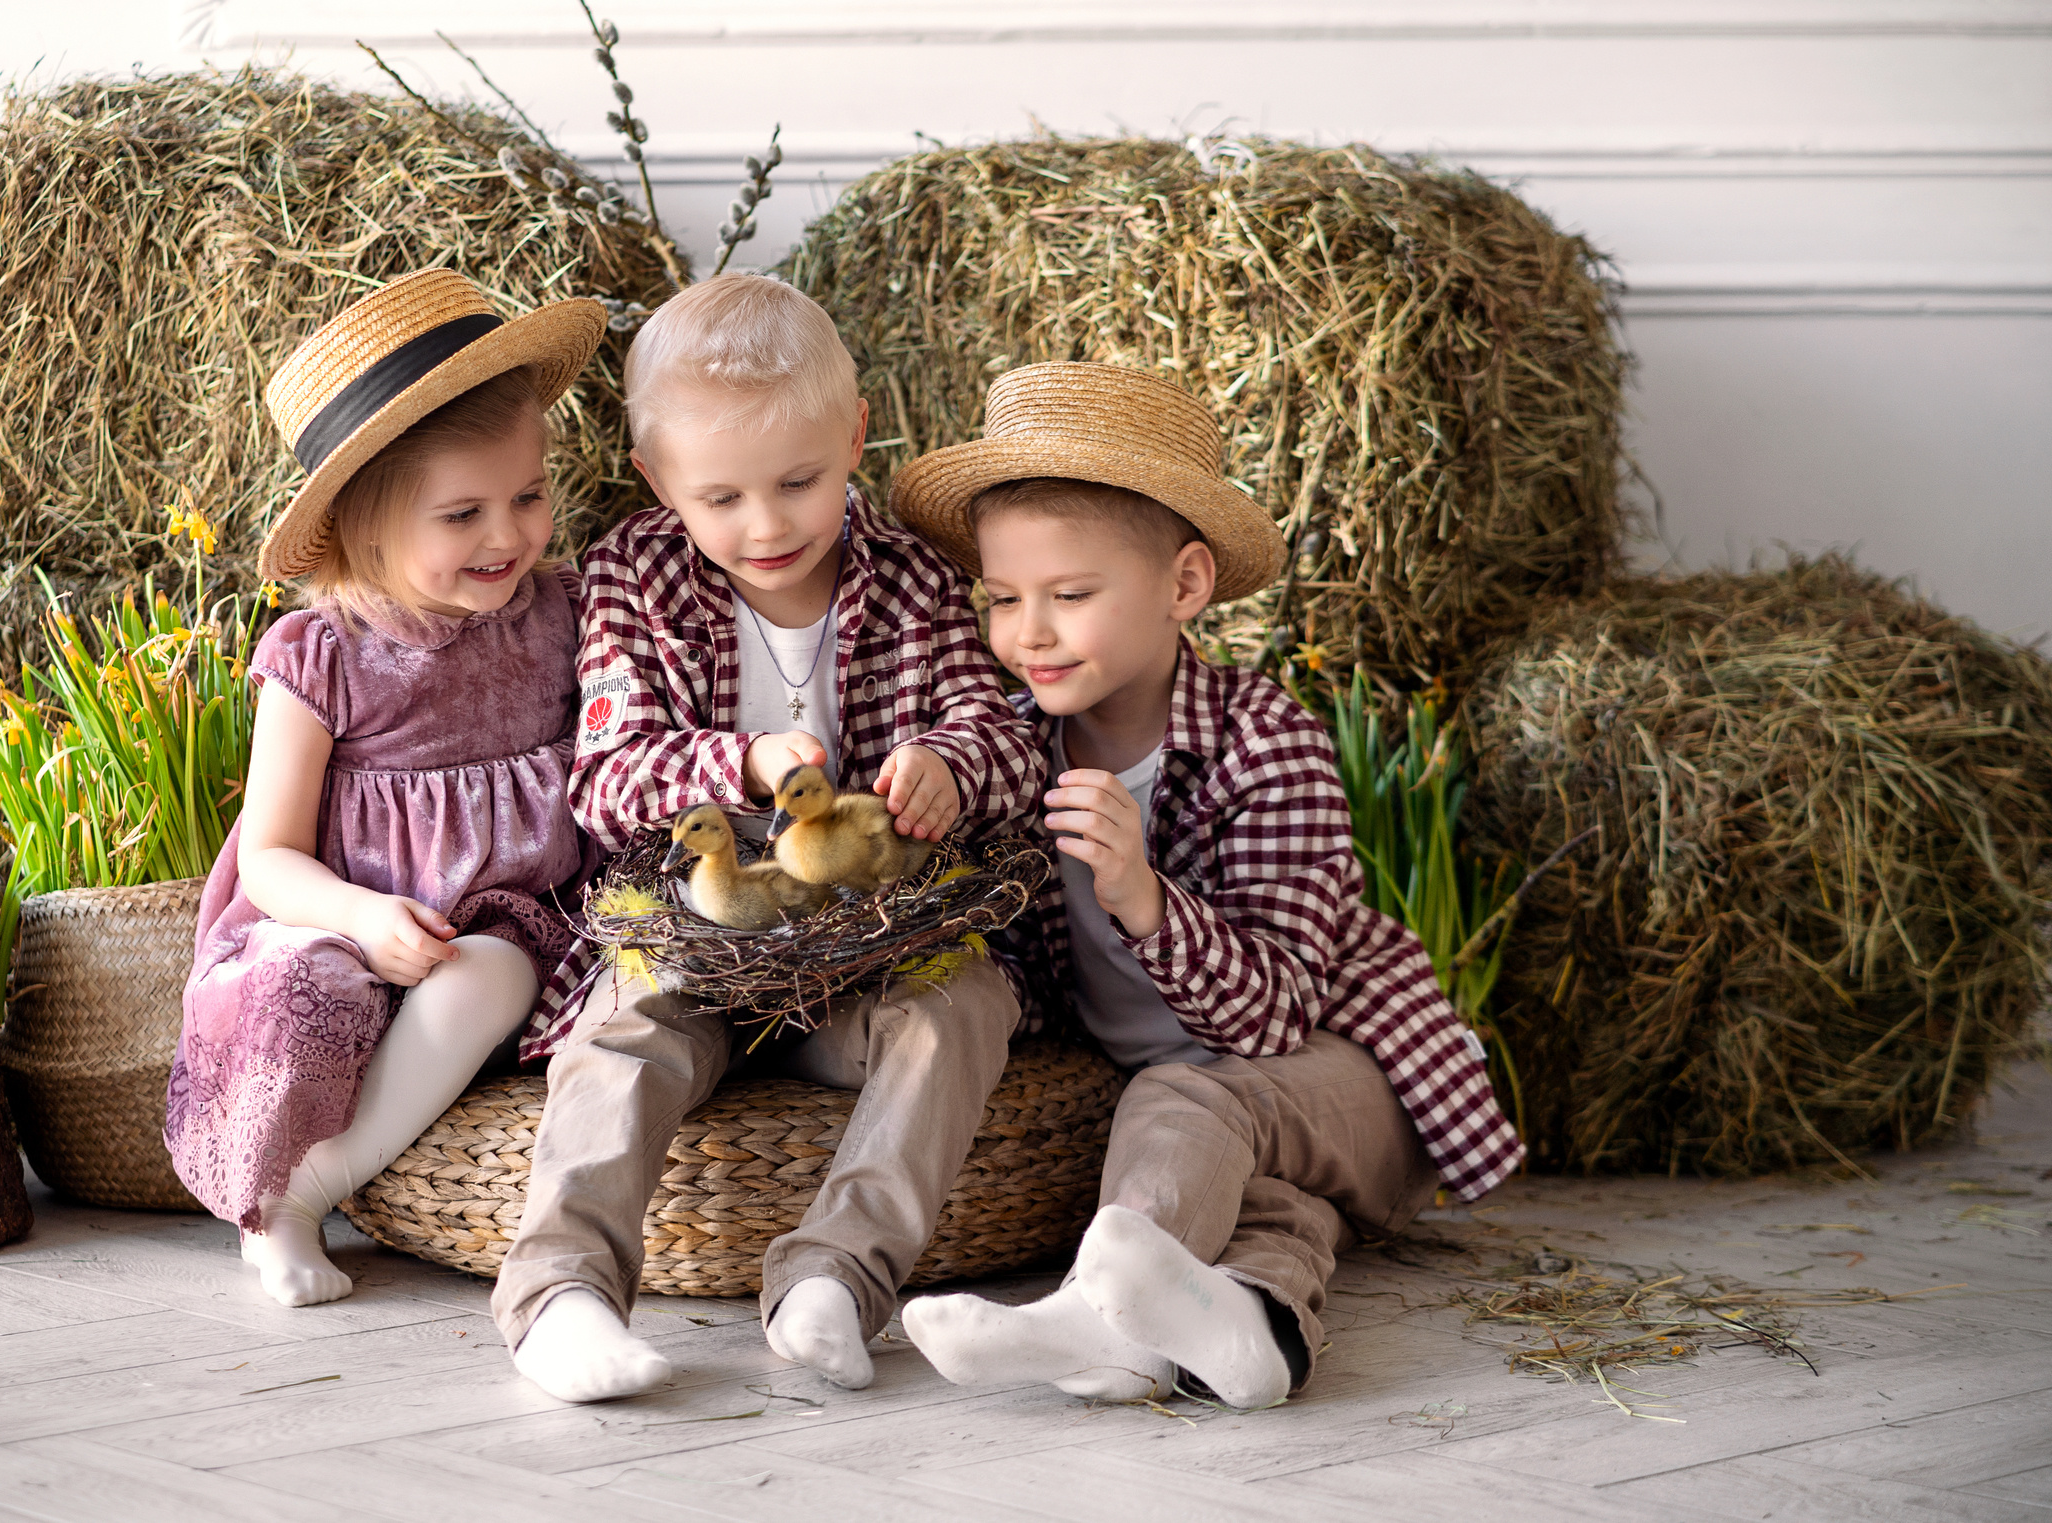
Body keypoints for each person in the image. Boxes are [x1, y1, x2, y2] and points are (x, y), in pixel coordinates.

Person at [886, 361, 1524, 1407]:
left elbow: (1271, 1018)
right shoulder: (1021, 738)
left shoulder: (1267, 743)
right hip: (1209, 1131)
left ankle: (1090, 1317)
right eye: (1002, 598)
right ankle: (1254, 1337)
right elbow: (980, 771)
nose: (1028, 632)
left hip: (1346, 1077)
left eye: (1071, 595)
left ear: (1183, 586)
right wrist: (932, 780)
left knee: (1187, 1092)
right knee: (1260, 1211)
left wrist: (1141, 894)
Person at [491, 274, 1044, 1403]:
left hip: (868, 952)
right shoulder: (632, 576)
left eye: (799, 481)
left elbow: (1011, 736)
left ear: (855, 435)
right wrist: (737, 762)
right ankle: (563, 1293)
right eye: (723, 497)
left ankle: (836, 1277)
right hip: (695, 952)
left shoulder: (913, 580)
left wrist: (951, 767)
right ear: (658, 482)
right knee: (622, 1029)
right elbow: (604, 780)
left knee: (967, 1006)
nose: (767, 524)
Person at [164, 269, 601, 1308]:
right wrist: (361, 918)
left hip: (500, 923)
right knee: (295, 991)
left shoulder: (562, 618)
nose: (508, 536)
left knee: (491, 974)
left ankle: (320, 1183)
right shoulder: (320, 655)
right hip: (336, 915)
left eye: (529, 496)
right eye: (463, 514)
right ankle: (275, 1205)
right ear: (363, 525)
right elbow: (269, 858)